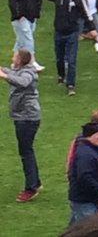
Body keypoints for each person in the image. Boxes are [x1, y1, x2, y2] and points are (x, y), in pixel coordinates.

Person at [0, 48, 41, 202]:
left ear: (20, 60)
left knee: (26, 153)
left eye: (15, 56)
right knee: (27, 150)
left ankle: (31, 188)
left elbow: (22, 82)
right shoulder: (19, 70)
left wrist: (4, 76)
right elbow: (9, 72)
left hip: (27, 118)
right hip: (23, 117)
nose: (12, 57)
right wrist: (3, 71)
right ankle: (35, 182)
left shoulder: (28, 73)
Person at [67, 121, 98, 224]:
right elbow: (84, 176)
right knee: (88, 229)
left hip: (83, 200)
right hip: (85, 201)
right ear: (89, 137)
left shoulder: (90, 149)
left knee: (74, 229)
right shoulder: (85, 154)